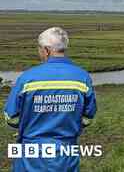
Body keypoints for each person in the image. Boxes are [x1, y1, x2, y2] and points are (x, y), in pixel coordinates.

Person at [4, 27, 97, 172]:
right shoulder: (82, 77)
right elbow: (88, 117)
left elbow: (11, 117)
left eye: (39, 49)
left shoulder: (28, 78)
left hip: (31, 155)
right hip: (66, 154)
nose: (39, 52)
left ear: (46, 50)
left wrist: (29, 125)